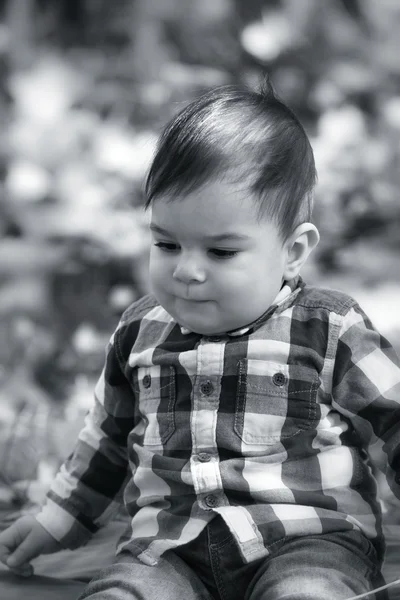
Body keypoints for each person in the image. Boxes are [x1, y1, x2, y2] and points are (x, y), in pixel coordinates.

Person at [0, 79, 398, 600]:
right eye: (166, 243)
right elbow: (104, 440)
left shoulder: (330, 328)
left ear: (293, 251)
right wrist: (57, 520)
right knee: (123, 592)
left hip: (307, 539)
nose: (187, 270)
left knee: (308, 591)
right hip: (168, 549)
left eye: (222, 252)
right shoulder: (140, 333)